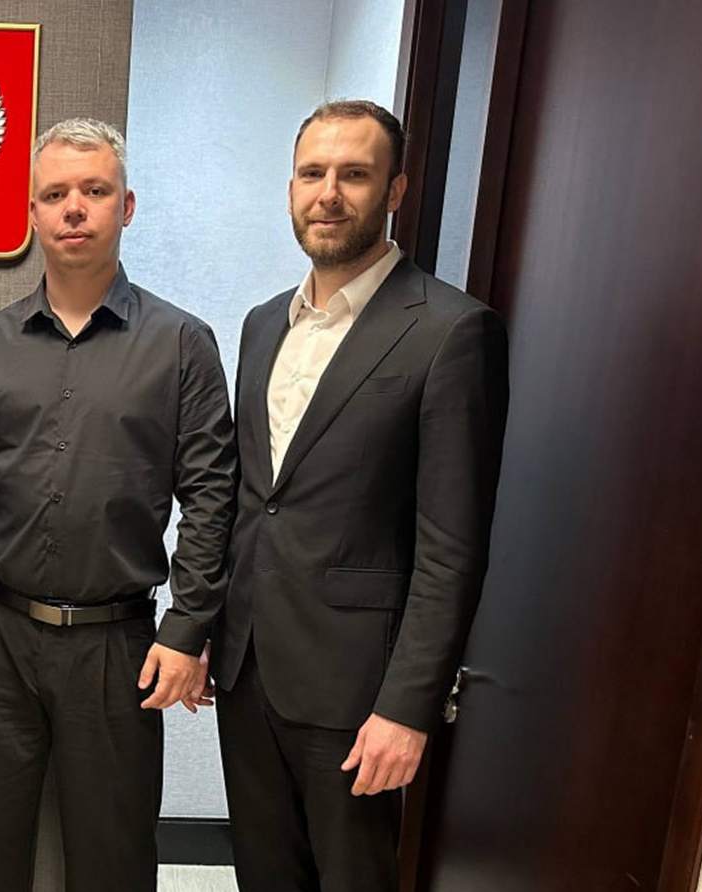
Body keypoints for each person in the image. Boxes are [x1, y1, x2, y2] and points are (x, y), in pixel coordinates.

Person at [0, 118, 238, 892]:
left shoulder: (182, 344)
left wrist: (187, 627)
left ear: (127, 206)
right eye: (55, 193)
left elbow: (212, 496)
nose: (74, 208)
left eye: (94, 190)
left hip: (119, 645)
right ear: (31, 211)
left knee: (113, 855)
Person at [205, 99, 509, 892]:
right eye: (312, 173)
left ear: (395, 190)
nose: (329, 194)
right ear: (291, 188)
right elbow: (251, 501)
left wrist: (407, 707)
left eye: (355, 175)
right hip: (247, 669)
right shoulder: (262, 325)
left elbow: (452, 548)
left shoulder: (451, 331)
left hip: (356, 690)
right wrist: (207, 628)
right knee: (263, 876)